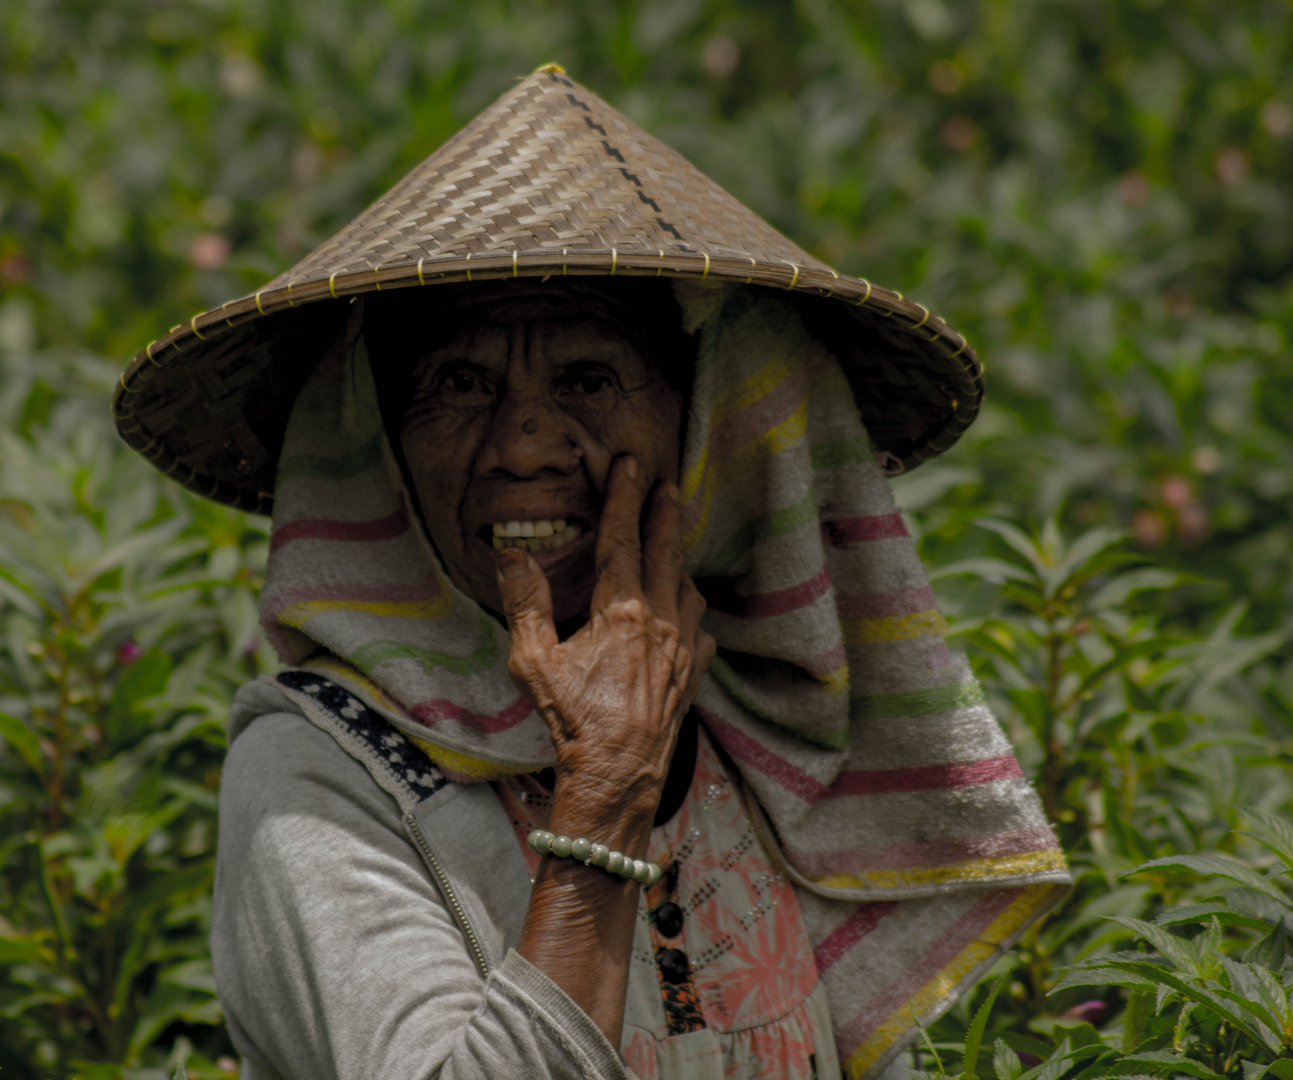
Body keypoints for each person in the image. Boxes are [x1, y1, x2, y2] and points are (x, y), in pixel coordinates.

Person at [113, 66, 1071, 1080]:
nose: (524, 443)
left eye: (588, 377)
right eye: (460, 382)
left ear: (700, 435)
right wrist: (605, 793)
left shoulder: (761, 730)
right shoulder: (320, 773)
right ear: (385, 445)